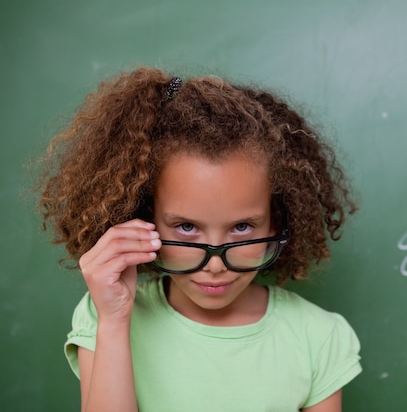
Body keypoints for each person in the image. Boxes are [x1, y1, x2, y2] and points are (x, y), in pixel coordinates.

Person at [36, 67, 361, 412]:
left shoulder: (319, 337)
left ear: (276, 219)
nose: (217, 266)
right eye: (187, 227)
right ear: (144, 218)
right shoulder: (106, 316)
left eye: (241, 227)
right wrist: (114, 322)